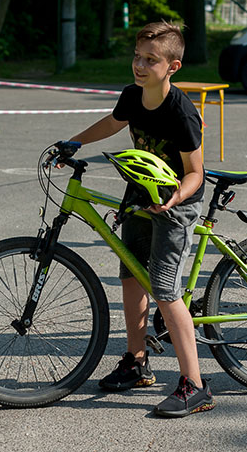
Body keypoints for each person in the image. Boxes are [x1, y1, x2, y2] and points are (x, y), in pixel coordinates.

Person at [66, 21, 212, 417]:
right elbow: (114, 122)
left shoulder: (181, 111)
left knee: (165, 289)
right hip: (141, 196)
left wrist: (174, 198)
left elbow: (196, 173)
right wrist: (75, 141)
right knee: (131, 275)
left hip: (176, 204)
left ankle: (195, 385)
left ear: (173, 67)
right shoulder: (133, 95)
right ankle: (136, 360)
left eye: (151, 60)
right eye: (137, 57)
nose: (140, 65)